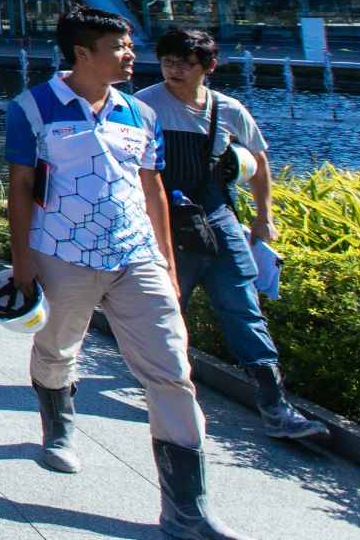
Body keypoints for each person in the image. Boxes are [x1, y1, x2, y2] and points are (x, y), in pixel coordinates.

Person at [6, 6, 245, 540]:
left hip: (137, 258)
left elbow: (152, 185)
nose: (132, 54)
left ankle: (187, 508)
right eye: (120, 47)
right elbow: (21, 187)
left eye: (130, 46)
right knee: (56, 351)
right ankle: (58, 423)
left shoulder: (140, 113)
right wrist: (22, 260)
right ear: (83, 53)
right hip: (62, 255)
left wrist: (165, 258)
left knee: (170, 370)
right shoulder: (32, 108)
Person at [135, 29, 327, 442]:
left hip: (219, 220)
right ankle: (168, 394)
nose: (175, 69)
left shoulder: (228, 109)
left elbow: (258, 160)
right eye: (168, 60)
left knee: (244, 309)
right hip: (165, 225)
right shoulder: (143, 105)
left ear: (209, 66)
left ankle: (276, 407)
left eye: (186, 62)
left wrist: (264, 217)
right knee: (166, 313)